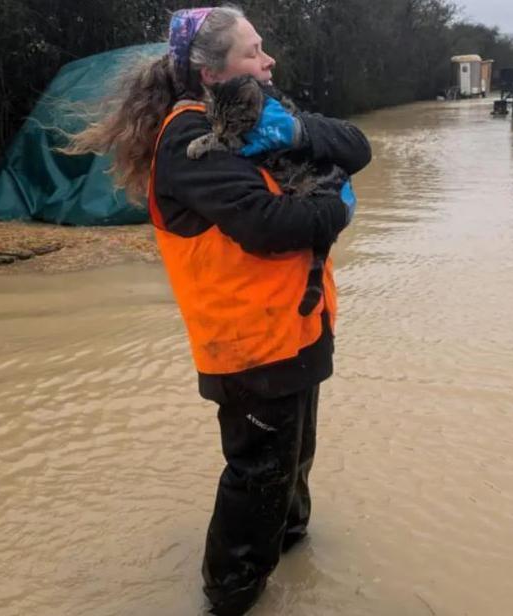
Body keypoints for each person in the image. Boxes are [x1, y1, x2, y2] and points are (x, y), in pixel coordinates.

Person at [65, 5, 371, 615]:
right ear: (212, 73)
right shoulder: (186, 139)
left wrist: (300, 135)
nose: (269, 59)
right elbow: (268, 225)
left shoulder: (264, 112)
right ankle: (229, 597)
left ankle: (290, 557)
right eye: (254, 51)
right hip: (250, 347)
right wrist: (337, 206)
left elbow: (357, 145)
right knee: (257, 475)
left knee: (291, 463)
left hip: (299, 330)